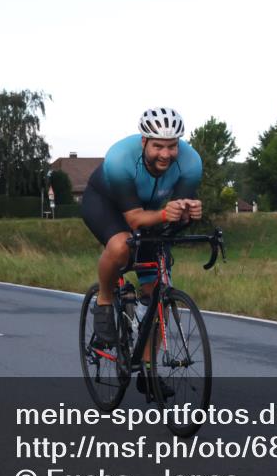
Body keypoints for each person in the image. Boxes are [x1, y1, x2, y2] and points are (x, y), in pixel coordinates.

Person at [81, 108, 203, 394]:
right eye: (158, 146)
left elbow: (176, 218)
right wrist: (165, 214)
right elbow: (134, 219)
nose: (165, 154)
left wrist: (189, 212)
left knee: (158, 288)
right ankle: (105, 299)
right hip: (107, 204)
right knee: (122, 245)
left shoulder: (191, 163)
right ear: (144, 141)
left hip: (151, 212)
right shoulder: (119, 160)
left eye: (172, 146)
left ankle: (148, 374)